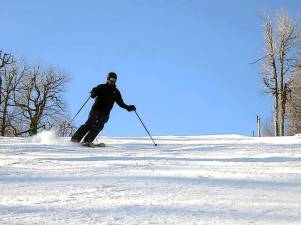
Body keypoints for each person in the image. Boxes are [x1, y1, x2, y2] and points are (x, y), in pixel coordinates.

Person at [71, 72, 136, 144]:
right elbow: (93, 96)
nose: (112, 81)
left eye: (114, 80)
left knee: (99, 127)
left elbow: (121, 103)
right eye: (111, 79)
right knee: (89, 124)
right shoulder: (101, 87)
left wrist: (128, 107)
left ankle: (87, 141)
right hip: (96, 109)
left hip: (105, 113)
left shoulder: (116, 92)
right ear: (108, 79)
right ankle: (75, 139)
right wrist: (93, 91)